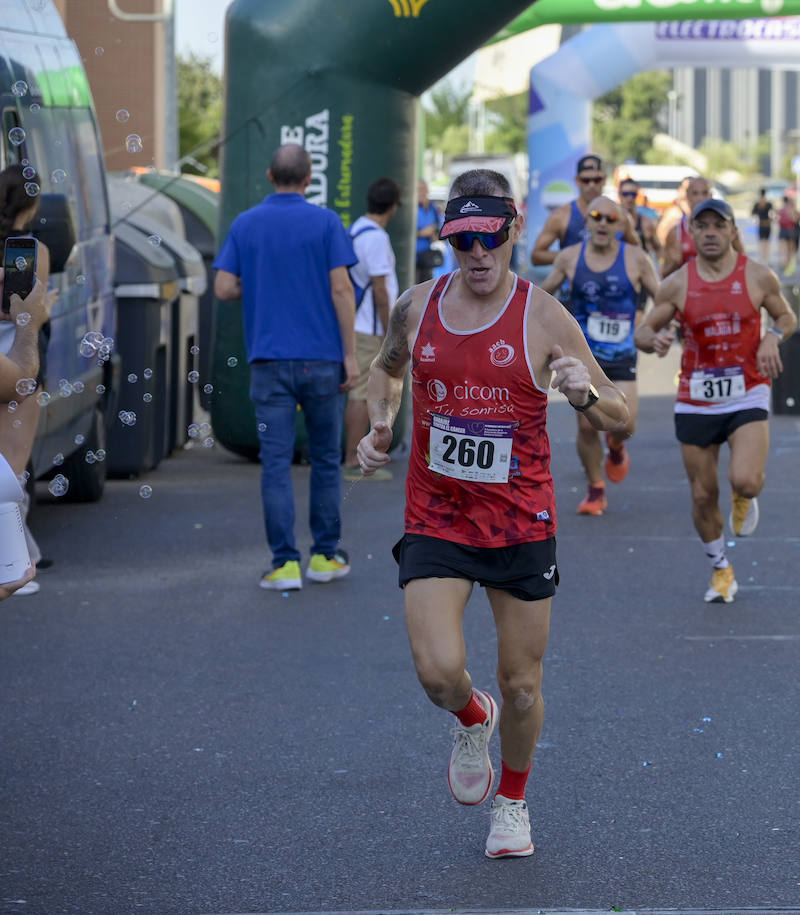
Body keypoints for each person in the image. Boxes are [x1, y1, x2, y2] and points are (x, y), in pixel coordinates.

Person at [356, 169, 629, 860]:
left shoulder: (543, 315)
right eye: (462, 240)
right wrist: (381, 421)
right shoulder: (418, 307)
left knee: (523, 680)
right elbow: (386, 369)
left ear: (512, 232)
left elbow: (623, 411)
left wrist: (583, 395)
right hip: (438, 513)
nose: (477, 254)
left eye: (490, 239)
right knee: (439, 672)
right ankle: (471, 716)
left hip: (519, 520)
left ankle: (513, 802)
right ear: (448, 238)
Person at [634, 198, 796, 604]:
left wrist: (773, 337)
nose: (709, 233)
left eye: (717, 226)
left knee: (746, 479)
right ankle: (721, 567)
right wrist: (656, 339)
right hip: (696, 396)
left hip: (747, 390)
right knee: (703, 495)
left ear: (731, 232)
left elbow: (787, 317)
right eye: (701, 226)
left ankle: (744, 495)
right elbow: (641, 332)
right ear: (690, 233)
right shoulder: (677, 283)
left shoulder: (758, 277)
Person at [213, 144, 359, 591]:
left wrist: (257, 287)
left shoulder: (246, 224)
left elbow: (222, 288)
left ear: (270, 175)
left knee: (275, 464)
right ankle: (325, 555)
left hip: (269, 363)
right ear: (309, 178)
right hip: (321, 361)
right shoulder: (327, 223)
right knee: (327, 460)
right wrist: (350, 354)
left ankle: (284, 564)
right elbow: (341, 290)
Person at [539, 196, 659, 515]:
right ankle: (596, 489)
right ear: (587, 223)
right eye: (597, 217)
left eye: (611, 218)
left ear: (620, 225)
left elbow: (663, 299)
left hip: (622, 356)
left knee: (624, 423)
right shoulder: (568, 258)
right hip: (584, 356)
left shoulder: (636, 258)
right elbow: (542, 296)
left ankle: (617, 447)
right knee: (587, 426)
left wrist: (662, 327)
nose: (603, 223)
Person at [0, 166, 51, 595]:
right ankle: (14, 560)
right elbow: (31, 312)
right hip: (18, 358)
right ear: (32, 204)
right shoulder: (35, 250)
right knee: (14, 466)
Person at [343, 178, 401, 480]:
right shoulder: (376, 238)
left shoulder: (356, 229)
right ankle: (354, 459)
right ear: (393, 207)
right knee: (361, 393)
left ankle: (355, 455)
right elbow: (381, 290)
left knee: (361, 390)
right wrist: (389, 329)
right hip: (370, 328)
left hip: (358, 324)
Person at [531, 154, 639, 267]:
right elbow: (536, 256)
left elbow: (638, 253)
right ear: (577, 180)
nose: (591, 185)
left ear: (604, 179)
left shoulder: (621, 215)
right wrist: (575, 255)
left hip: (613, 283)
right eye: (586, 180)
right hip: (572, 284)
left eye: (597, 180)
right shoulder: (561, 216)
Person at [658, 175, 712, 276]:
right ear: (687, 196)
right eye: (695, 193)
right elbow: (662, 273)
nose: (700, 198)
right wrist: (675, 262)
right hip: (686, 290)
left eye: (704, 193)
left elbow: (741, 262)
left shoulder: (724, 229)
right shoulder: (676, 229)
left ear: (711, 195)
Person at [619, 177, 659, 264]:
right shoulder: (610, 220)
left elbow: (659, 248)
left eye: (633, 194)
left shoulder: (646, 223)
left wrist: (659, 268)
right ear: (619, 194)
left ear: (637, 195)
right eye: (625, 194)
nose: (629, 198)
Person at [415, 180, 444, 284]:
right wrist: (420, 233)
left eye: (423, 189)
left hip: (427, 257)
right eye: (418, 190)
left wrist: (434, 234)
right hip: (413, 259)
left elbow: (439, 228)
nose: (421, 193)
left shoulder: (432, 208)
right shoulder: (411, 208)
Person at [776, 196, 800, 277]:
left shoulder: (780, 210)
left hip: (782, 230)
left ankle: (784, 265)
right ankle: (790, 268)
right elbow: (795, 220)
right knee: (791, 251)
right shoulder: (792, 209)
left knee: (784, 250)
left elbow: (777, 219)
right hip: (790, 231)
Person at [751, 190, 774, 266]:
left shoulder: (757, 204)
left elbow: (752, 213)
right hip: (767, 224)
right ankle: (766, 258)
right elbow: (773, 214)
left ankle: (762, 258)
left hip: (761, 224)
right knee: (767, 242)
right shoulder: (768, 203)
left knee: (761, 242)